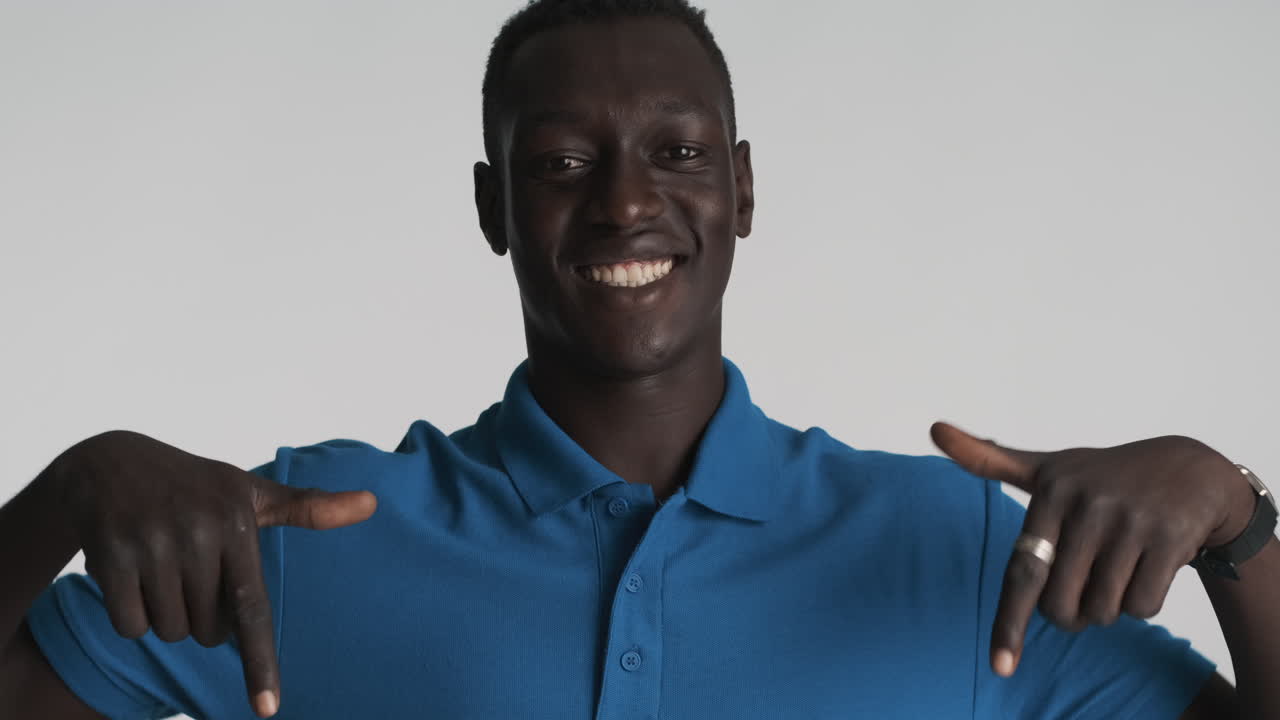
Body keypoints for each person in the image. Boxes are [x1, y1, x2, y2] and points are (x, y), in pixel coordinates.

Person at [0, 1, 1275, 718]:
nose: (622, 205)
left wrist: (1237, 526)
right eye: (561, 163)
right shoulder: (305, 537)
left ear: (743, 187)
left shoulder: (953, 550)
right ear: (495, 208)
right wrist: (63, 496)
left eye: (674, 151)